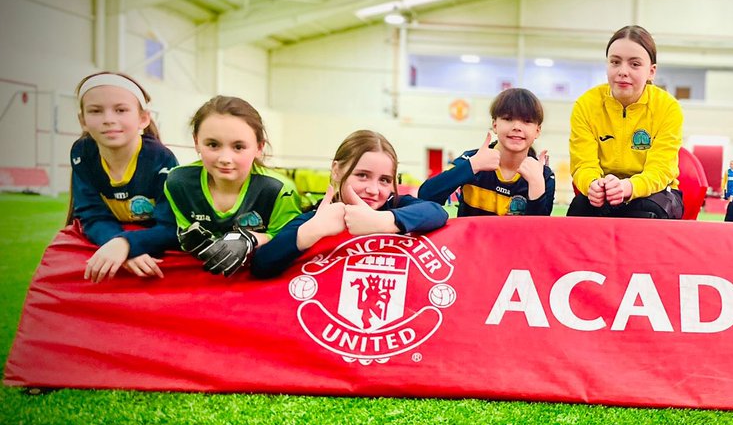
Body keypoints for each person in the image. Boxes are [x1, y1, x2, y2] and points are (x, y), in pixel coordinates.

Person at [252, 130, 448, 278]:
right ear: (336, 170)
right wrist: (312, 231)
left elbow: (437, 212)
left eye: (385, 180)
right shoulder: (317, 217)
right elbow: (262, 265)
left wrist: (383, 221)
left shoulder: (395, 205)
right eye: (362, 175)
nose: (373, 189)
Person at [163, 96, 306, 276]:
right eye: (213, 145)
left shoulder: (278, 190)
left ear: (259, 147)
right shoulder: (178, 182)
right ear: (196, 142)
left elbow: (287, 239)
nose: (225, 159)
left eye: (238, 147)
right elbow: (181, 234)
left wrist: (250, 239)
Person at [69, 71, 179, 282]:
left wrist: (127, 244)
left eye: (120, 110)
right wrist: (115, 244)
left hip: (151, 240)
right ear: (82, 120)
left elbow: (172, 227)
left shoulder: (161, 159)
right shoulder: (81, 153)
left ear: (143, 118)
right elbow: (91, 216)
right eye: (96, 111)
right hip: (112, 234)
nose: (109, 120)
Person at [567, 25, 683, 219]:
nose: (623, 71)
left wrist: (627, 187)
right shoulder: (585, 105)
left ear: (651, 71)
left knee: (643, 212)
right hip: (605, 191)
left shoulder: (668, 107)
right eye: (615, 62)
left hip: (657, 193)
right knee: (580, 207)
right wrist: (593, 184)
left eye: (635, 64)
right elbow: (583, 164)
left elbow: (660, 169)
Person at [418, 88, 554, 216]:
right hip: (470, 241)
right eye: (508, 119)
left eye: (527, 121)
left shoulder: (544, 176)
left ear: (537, 131)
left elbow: (538, 233)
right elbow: (426, 195)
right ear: (495, 125)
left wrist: (536, 184)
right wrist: (472, 166)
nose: (517, 127)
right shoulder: (472, 159)